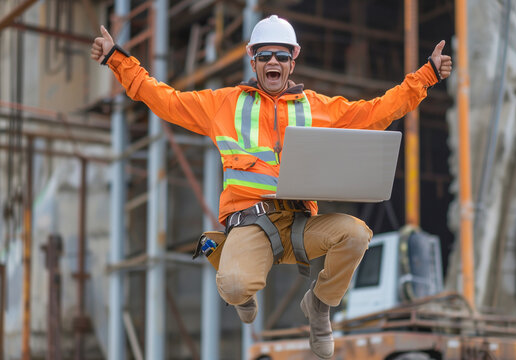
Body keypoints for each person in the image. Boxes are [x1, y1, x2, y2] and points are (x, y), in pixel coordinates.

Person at [91, 15, 451, 359]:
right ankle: (226, 255)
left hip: (300, 226)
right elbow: (164, 99)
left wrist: (427, 76)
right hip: (250, 226)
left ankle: (320, 304)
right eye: (264, 55)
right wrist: (116, 59)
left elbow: (377, 112)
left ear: (293, 59)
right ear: (253, 59)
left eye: (281, 54)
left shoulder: (317, 108)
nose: (273, 61)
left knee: (357, 234)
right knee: (233, 287)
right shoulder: (224, 105)